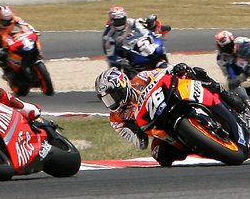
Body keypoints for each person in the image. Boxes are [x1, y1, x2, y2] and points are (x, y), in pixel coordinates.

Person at [95, 61, 242, 167]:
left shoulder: (141, 78)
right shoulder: (117, 119)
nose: (112, 102)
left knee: (195, 73)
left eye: (112, 96)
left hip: (171, 102)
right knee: (160, 154)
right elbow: (141, 144)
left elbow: (163, 72)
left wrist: (175, 69)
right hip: (160, 127)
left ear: (123, 85)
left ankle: (228, 97)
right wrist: (138, 131)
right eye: (107, 100)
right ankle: (195, 143)